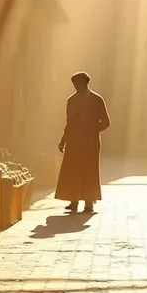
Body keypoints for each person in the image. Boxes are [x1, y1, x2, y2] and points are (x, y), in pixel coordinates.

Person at [55, 71, 110, 213]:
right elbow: (69, 122)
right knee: (73, 170)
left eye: (79, 84)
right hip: (74, 141)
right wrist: (63, 140)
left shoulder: (97, 100)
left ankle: (89, 202)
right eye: (75, 85)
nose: (76, 87)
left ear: (86, 83)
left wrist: (92, 130)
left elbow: (106, 122)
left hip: (90, 142)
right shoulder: (71, 101)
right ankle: (73, 201)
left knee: (89, 171)